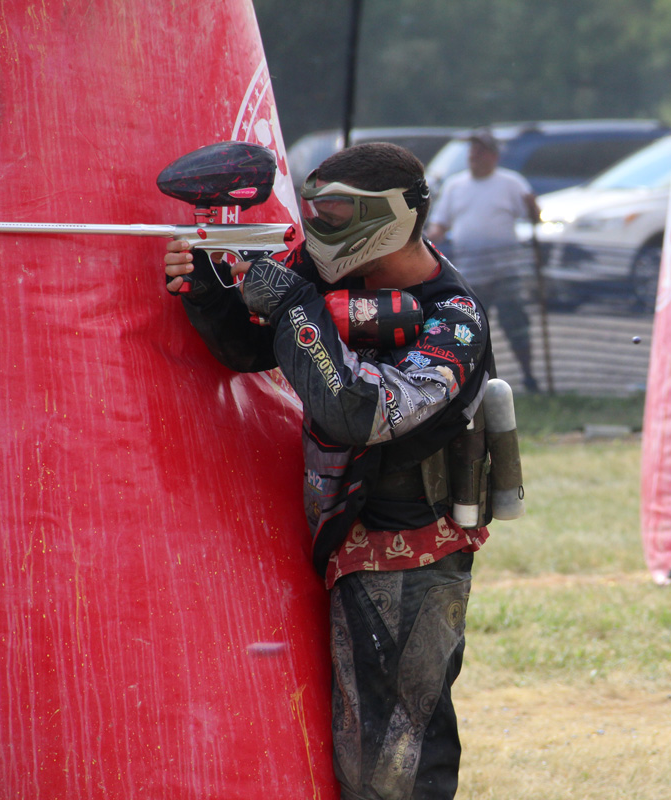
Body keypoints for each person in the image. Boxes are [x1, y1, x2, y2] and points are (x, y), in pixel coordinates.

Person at [165, 143, 495, 798]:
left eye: (337, 215)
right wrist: (204, 287)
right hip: (344, 537)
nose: (318, 228)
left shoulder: (454, 320)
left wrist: (294, 307)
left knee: (399, 752)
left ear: (392, 217)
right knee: (357, 744)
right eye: (317, 211)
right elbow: (249, 346)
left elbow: (359, 411)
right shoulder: (325, 274)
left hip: (414, 554)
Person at [426, 128, 543, 392]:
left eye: (480, 151)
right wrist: (428, 241)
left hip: (506, 271)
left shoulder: (511, 182)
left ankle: (529, 376)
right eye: (472, 151)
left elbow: (534, 216)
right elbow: (440, 225)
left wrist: (534, 207)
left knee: (516, 326)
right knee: (471, 330)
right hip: (470, 274)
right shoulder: (455, 185)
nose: (473, 156)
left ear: (493, 155)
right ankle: (474, 382)